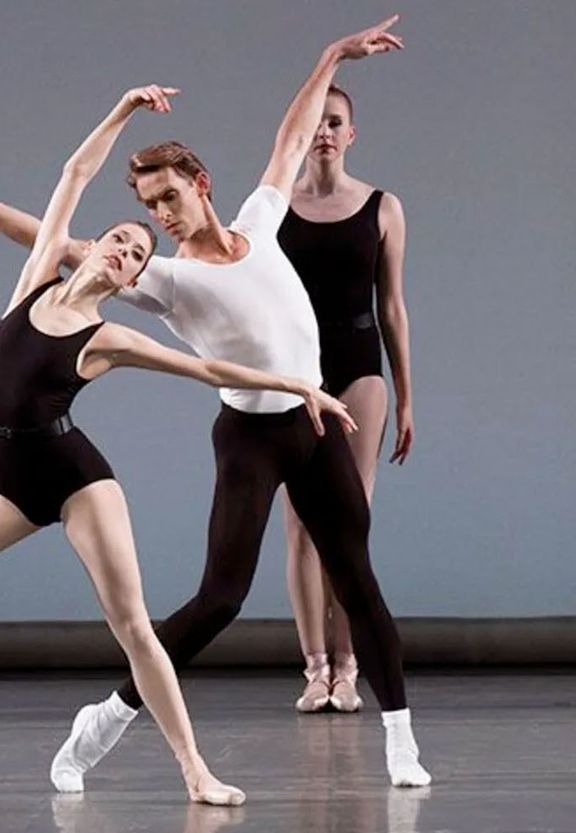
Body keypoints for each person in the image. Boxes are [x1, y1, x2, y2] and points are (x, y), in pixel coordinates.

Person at [0, 17, 431, 790]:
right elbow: (53, 242)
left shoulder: (260, 222)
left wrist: (332, 54)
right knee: (220, 598)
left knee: (357, 577)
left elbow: (290, 139)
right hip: (250, 436)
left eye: (168, 196)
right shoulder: (162, 278)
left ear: (200, 184)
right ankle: (108, 715)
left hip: (315, 418)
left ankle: (401, 739)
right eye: (148, 204)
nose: (160, 215)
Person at [0, 83, 356, 814]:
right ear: (93, 246)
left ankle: (196, 772)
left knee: (135, 628)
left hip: (79, 482)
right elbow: (75, 173)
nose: (125, 250)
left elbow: (208, 369)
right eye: (120, 238)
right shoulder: (35, 281)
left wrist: (296, 383)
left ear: (129, 280)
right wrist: (121, 110)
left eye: (137, 256)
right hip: (10, 489)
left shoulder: (107, 335)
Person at [278, 83, 414, 714]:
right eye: (316, 123)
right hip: (297, 374)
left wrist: (406, 398)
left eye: (335, 122)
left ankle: (349, 665)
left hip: (360, 370)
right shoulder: (277, 207)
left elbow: (393, 308)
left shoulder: (383, 208)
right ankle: (315, 668)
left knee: (350, 524)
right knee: (301, 527)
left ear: (351, 134)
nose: (324, 132)